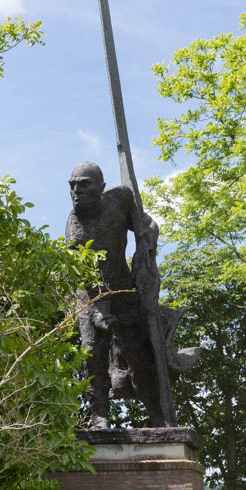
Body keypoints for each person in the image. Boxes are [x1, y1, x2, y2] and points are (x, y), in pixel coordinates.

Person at [65, 162, 158, 429]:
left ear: (101, 188)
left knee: (140, 350)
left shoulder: (121, 199)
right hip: (91, 295)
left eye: (84, 184)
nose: (76, 191)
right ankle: (99, 415)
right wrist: (98, 312)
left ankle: (156, 411)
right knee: (92, 353)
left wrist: (147, 240)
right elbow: (80, 276)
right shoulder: (75, 227)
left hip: (123, 287)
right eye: (72, 185)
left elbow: (147, 224)